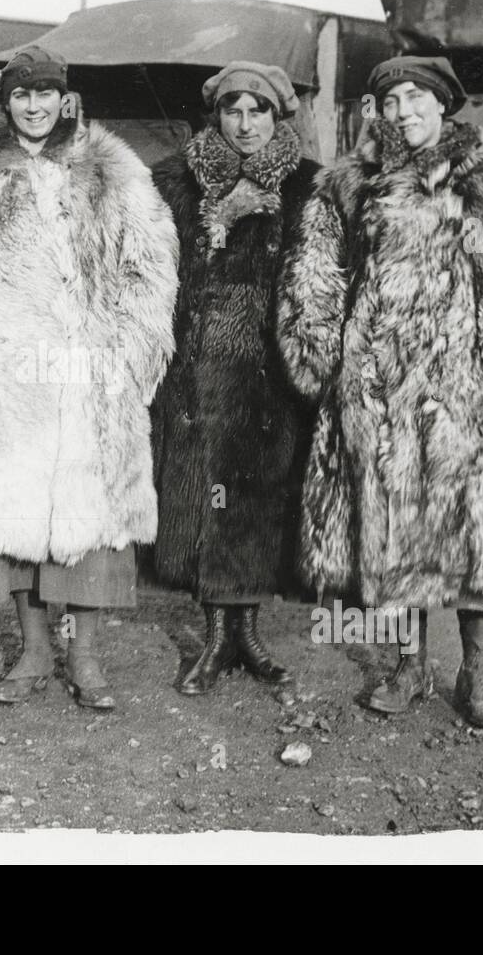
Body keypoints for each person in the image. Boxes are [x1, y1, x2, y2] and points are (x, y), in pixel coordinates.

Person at [276, 55, 483, 728]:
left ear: (444, 105)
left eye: (417, 98)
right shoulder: (348, 185)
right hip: (377, 386)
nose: (404, 111)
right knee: (394, 521)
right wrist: (321, 355)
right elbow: (312, 269)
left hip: (461, 390)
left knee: (477, 523)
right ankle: (410, 666)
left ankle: (479, 673)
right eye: (392, 100)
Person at [0, 46, 178, 710]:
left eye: (46, 94)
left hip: (88, 376)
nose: (33, 107)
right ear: (6, 102)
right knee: (13, 520)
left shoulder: (111, 168)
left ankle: (83, 657)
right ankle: (30, 651)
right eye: (21, 95)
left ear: (65, 99)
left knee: (89, 520)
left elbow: (151, 260)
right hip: (3, 378)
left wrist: (133, 351)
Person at [151, 62, 320, 695]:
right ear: (215, 116)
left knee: (258, 497)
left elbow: (320, 275)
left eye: (257, 111)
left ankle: (248, 633)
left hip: (270, 372)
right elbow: (159, 271)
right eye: (232, 110)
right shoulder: (176, 182)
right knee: (204, 497)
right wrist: (220, 219)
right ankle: (216, 638)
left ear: (279, 117)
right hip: (197, 369)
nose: (244, 123)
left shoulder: (309, 186)